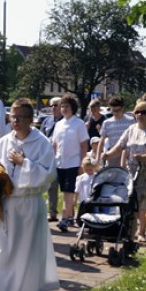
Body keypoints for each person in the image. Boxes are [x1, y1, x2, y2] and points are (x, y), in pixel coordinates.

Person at [0, 98, 59, 291]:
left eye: (20, 117)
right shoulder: (5, 141)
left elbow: (49, 175)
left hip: (28, 203)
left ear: (31, 119)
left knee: (28, 251)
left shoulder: (41, 143)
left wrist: (23, 163)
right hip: (6, 203)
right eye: (13, 117)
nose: (15, 121)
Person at [104, 100, 146, 245]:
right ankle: (132, 236)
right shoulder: (131, 129)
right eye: (137, 112)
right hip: (132, 175)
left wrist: (143, 158)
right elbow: (120, 146)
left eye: (143, 112)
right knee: (133, 207)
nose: (139, 115)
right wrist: (107, 154)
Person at [51, 94, 90, 231]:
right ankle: (68, 217)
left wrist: (82, 163)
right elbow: (54, 144)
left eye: (67, 106)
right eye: (62, 106)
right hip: (60, 163)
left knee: (69, 192)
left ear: (72, 108)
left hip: (73, 163)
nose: (64, 109)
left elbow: (84, 144)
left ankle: (64, 219)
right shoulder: (59, 124)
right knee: (65, 192)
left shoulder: (78, 123)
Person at [40, 97, 63, 220]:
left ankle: (67, 214)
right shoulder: (46, 121)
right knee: (52, 185)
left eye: (56, 105)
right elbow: (41, 136)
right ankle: (52, 212)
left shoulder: (65, 121)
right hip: (49, 157)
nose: (53, 108)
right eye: (52, 105)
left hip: (63, 157)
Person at [95, 96, 133, 168]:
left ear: (122, 108)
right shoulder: (107, 123)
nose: (116, 113)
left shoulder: (131, 121)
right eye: (113, 110)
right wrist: (98, 158)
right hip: (112, 158)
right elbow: (101, 141)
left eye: (118, 110)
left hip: (127, 158)